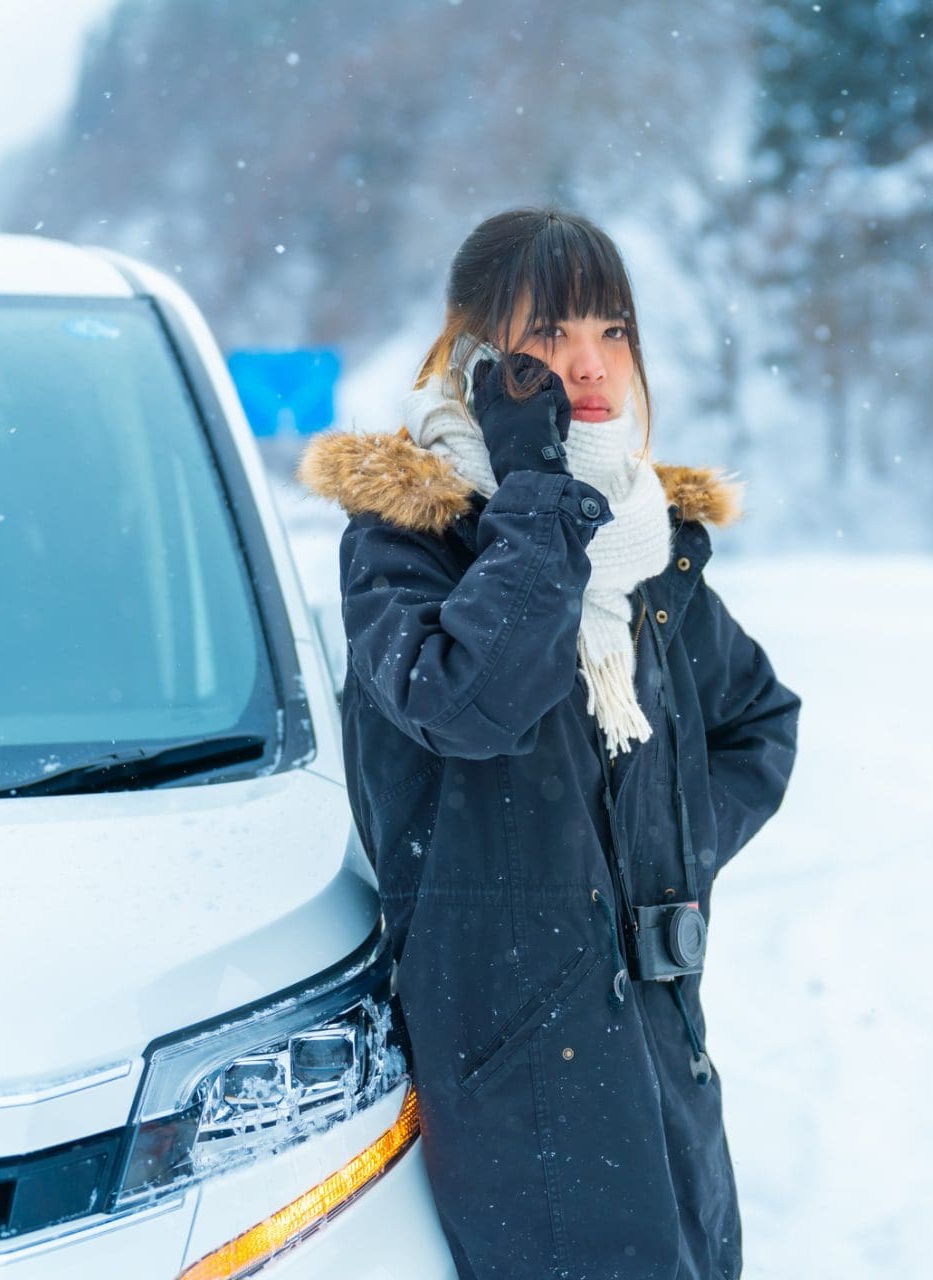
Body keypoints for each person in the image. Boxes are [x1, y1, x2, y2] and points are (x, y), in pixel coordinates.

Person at [295, 207, 801, 1279]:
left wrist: (661, 861)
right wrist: (535, 495)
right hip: (518, 1076)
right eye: (550, 333)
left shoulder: (643, 543)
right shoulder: (406, 541)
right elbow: (473, 705)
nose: (590, 363)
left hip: (663, 1065)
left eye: (612, 330)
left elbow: (757, 720)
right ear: (477, 357)